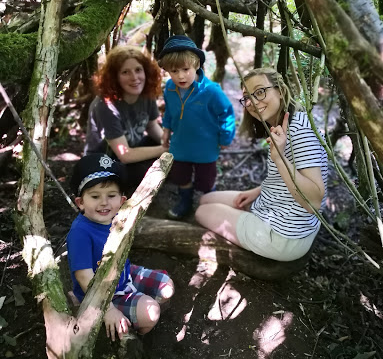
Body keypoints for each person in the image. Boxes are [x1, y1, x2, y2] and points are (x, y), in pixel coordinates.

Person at [195, 67, 328, 262]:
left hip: (283, 236)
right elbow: (284, 179)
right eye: (247, 97)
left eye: (259, 91)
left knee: (201, 211)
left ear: (281, 91)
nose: (252, 102)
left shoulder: (300, 131)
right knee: (206, 199)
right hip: (272, 206)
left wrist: (279, 158)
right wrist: (258, 191)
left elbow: (314, 202)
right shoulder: (287, 121)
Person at [67, 153, 175, 340]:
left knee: (167, 286)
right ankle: (131, 334)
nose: (104, 202)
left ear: (122, 201)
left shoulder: (117, 218)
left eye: (111, 195)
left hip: (123, 273)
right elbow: (84, 276)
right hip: (101, 292)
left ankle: (135, 306)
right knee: (151, 314)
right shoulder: (80, 233)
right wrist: (107, 310)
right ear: (80, 203)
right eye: (95, 196)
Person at [158, 35, 236, 220]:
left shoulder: (211, 91)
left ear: (196, 66)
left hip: (205, 147)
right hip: (180, 145)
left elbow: (226, 112)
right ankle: (185, 201)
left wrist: (225, 137)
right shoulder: (170, 88)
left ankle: (209, 202)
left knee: (206, 180)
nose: (180, 76)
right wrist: (166, 130)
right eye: (174, 71)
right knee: (181, 175)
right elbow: (169, 111)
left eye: (185, 69)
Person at [85, 45, 166, 193]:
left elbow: (152, 126)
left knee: (173, 150)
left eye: (138, 70)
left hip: (131, 149)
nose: (134, 78)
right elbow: (125, 156)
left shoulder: (146, 95)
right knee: (151, 169)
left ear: (146, 71)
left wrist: (168, 142)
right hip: (105, 162)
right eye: (125, 72)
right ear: (114, 77)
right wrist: (166, 150)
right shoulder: (105, 105)